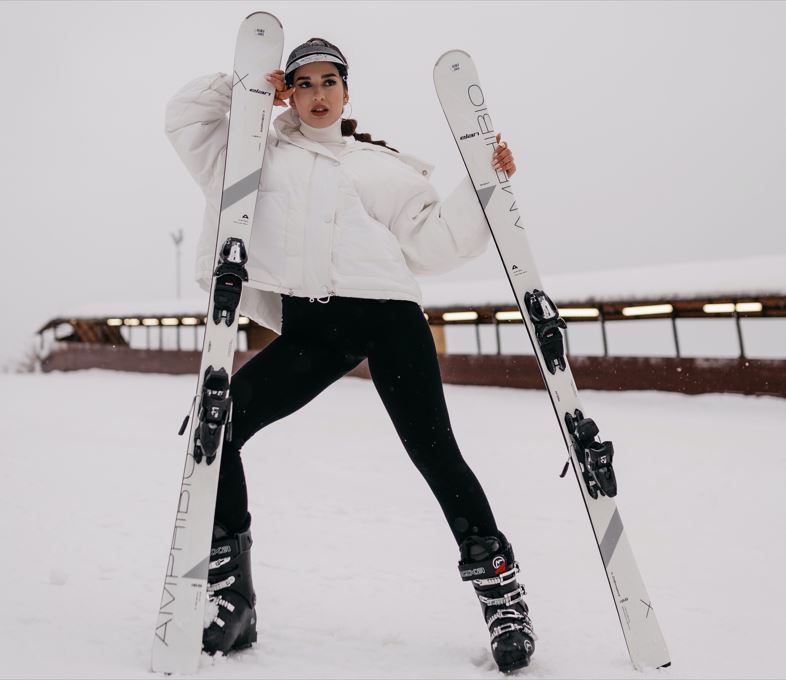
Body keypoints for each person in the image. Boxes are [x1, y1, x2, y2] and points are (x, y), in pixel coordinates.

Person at [165, 37, 534, 673]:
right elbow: (186, 119)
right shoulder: (255, 152)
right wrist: (248, 85)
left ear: (346, 90)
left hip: (389, 316)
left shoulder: (383, 166)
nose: (316, 95)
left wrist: (486, 185)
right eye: (302, 83)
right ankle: (233, 599)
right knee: (215, 427)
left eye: (327, 82)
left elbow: (438, 243)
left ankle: (503, 597)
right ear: (289, 90)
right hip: (314, 326)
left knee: (436, 454)